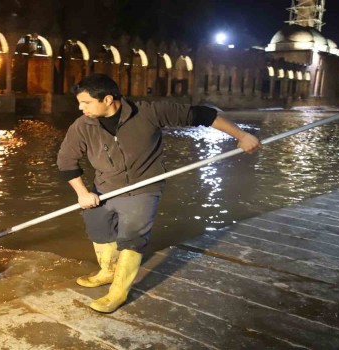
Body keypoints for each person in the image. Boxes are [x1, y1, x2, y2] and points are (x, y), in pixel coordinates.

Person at [57, 73, 260, 313]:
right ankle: (107, 272)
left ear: (108, 99)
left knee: (132, 237)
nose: (81, 108)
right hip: (103, 188)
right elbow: (66, 161)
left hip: (143, 187)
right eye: (79, 103)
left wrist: (242, 136)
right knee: (98, 230)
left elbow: (205, 115)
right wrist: (82, 193)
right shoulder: (83, 126)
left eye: (86, 102)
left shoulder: (150, 112)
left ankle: (118, 292)